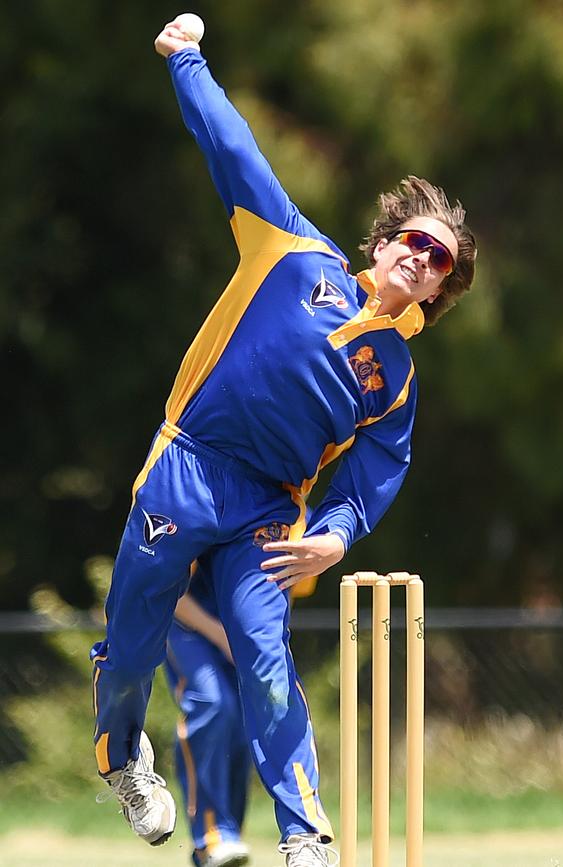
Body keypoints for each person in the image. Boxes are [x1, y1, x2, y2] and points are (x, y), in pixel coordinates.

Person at [90, 15, 476, 867]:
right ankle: (121, 759)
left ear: (442, 288)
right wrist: (184, 57)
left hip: (271, 510)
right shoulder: (294, 252)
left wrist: (333, 538)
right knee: (133, 637)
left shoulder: (397, 376)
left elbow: (377, 473)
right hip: (187, 464)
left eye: (439, 260)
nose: (421, 258)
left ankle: (306, 833)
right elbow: (233, 151)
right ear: (382, 242)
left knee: (265, 661)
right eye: (413, 241)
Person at [165, 569, 252, 867]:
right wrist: (221, 636)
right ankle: (211, 837)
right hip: (184, 623)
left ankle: (226, 842)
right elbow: (170, 588)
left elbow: (282, 593)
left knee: (245, 727)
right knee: (213, 705)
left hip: (239, 630)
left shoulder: (302, 528)